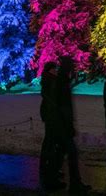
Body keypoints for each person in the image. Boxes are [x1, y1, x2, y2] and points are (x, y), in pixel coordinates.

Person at [53, 56, 91, 193]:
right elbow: (64, 105)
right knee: (72, 153)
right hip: (64, 123)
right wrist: (68, 124)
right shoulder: (62, 81)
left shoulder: (62, 80)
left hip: (62, 122)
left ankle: (52, 178)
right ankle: (75, 184)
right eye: (71, 65)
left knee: (62, 152)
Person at [39, 61, 66, 191]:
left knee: (50, 140)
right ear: (50, 70)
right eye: (55, 68)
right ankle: (49, 169)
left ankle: (47, 166)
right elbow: (51, 97)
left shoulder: (50, 79)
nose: (56, 70)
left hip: (50, 113)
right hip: (51, 114)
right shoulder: (50, 80)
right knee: (51, 140)